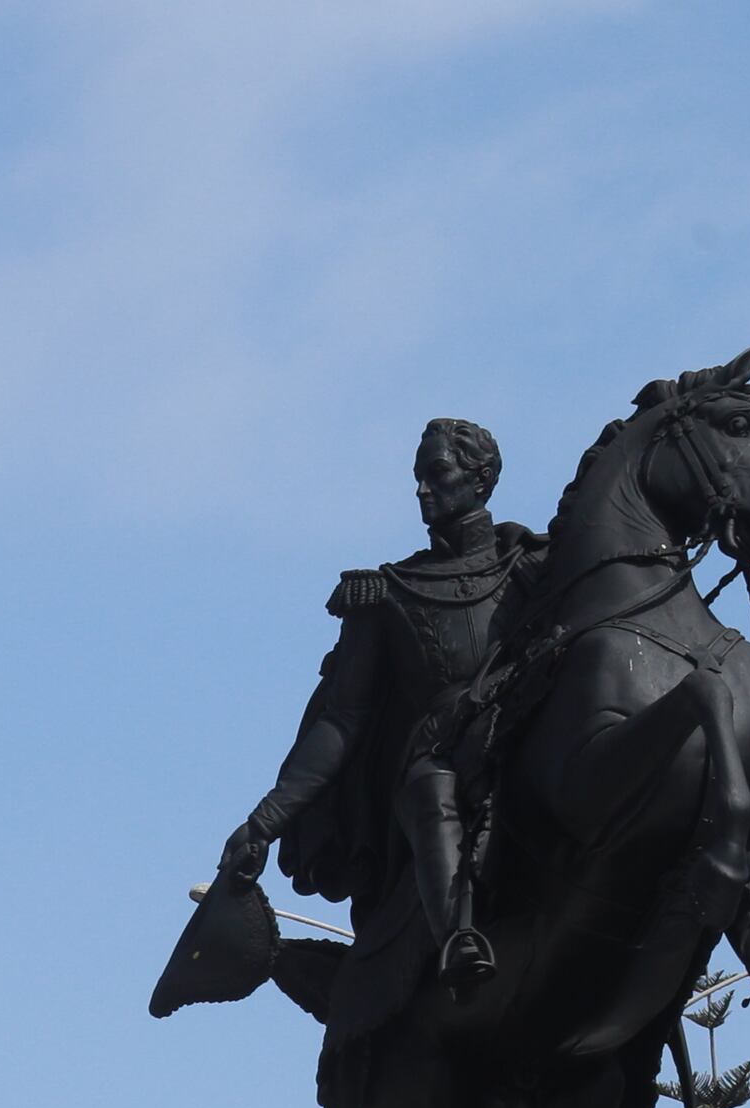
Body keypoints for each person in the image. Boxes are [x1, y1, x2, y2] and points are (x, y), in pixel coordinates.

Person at [215, 418, 544, 988]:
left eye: (436, 473)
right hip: (440, 754)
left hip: (523, 729)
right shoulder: (386, 594)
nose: (421, 489)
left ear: (481, 478)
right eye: (418, 476)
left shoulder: (532, 565)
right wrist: (263, 823)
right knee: (428, 791)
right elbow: (343, 719)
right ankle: (458, 939)